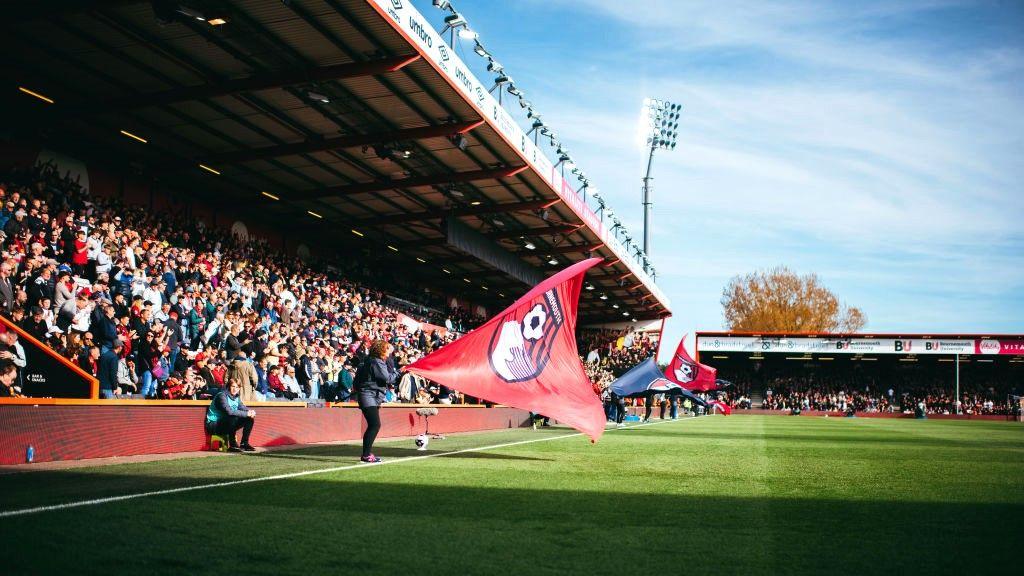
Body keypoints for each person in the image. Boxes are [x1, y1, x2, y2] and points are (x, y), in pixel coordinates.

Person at [354, 339, 398, 463]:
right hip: (369, 395)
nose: (389, 353)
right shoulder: (377, 362)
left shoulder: (367, 361)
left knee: (373, 425)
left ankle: (366, 454)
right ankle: (366, 455)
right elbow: (387, 378)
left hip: (368, 395)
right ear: (381, 350)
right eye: (387, 349)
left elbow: (356, 382)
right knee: (375, 425)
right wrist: (399, 372)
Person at [204, 376, 256, 452]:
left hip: (226, 424)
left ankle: (244, 443)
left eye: (237, 387)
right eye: (233, 386)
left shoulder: (236, 398)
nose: (235, 389)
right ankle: (233, 445)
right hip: (213, 425)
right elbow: (229, 412)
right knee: (232, 417)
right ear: (228, 386)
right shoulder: (221, 395)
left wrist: (251, 412)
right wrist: (246, 413)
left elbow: (243, 408)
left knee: (249, 419)